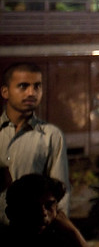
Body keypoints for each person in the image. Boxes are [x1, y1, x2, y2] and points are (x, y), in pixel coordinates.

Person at [0, 62, 69, 226]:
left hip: (33, 233)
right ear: (5, 92)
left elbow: (60, 196)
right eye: (23, 86)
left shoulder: (50, 136)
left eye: (37, 86)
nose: (31, 92)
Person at [2, 173, 88, 247]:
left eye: (49, 205)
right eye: (33, 207)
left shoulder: (58, 239)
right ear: (13, 212)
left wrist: (73, 232)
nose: (43, 212)